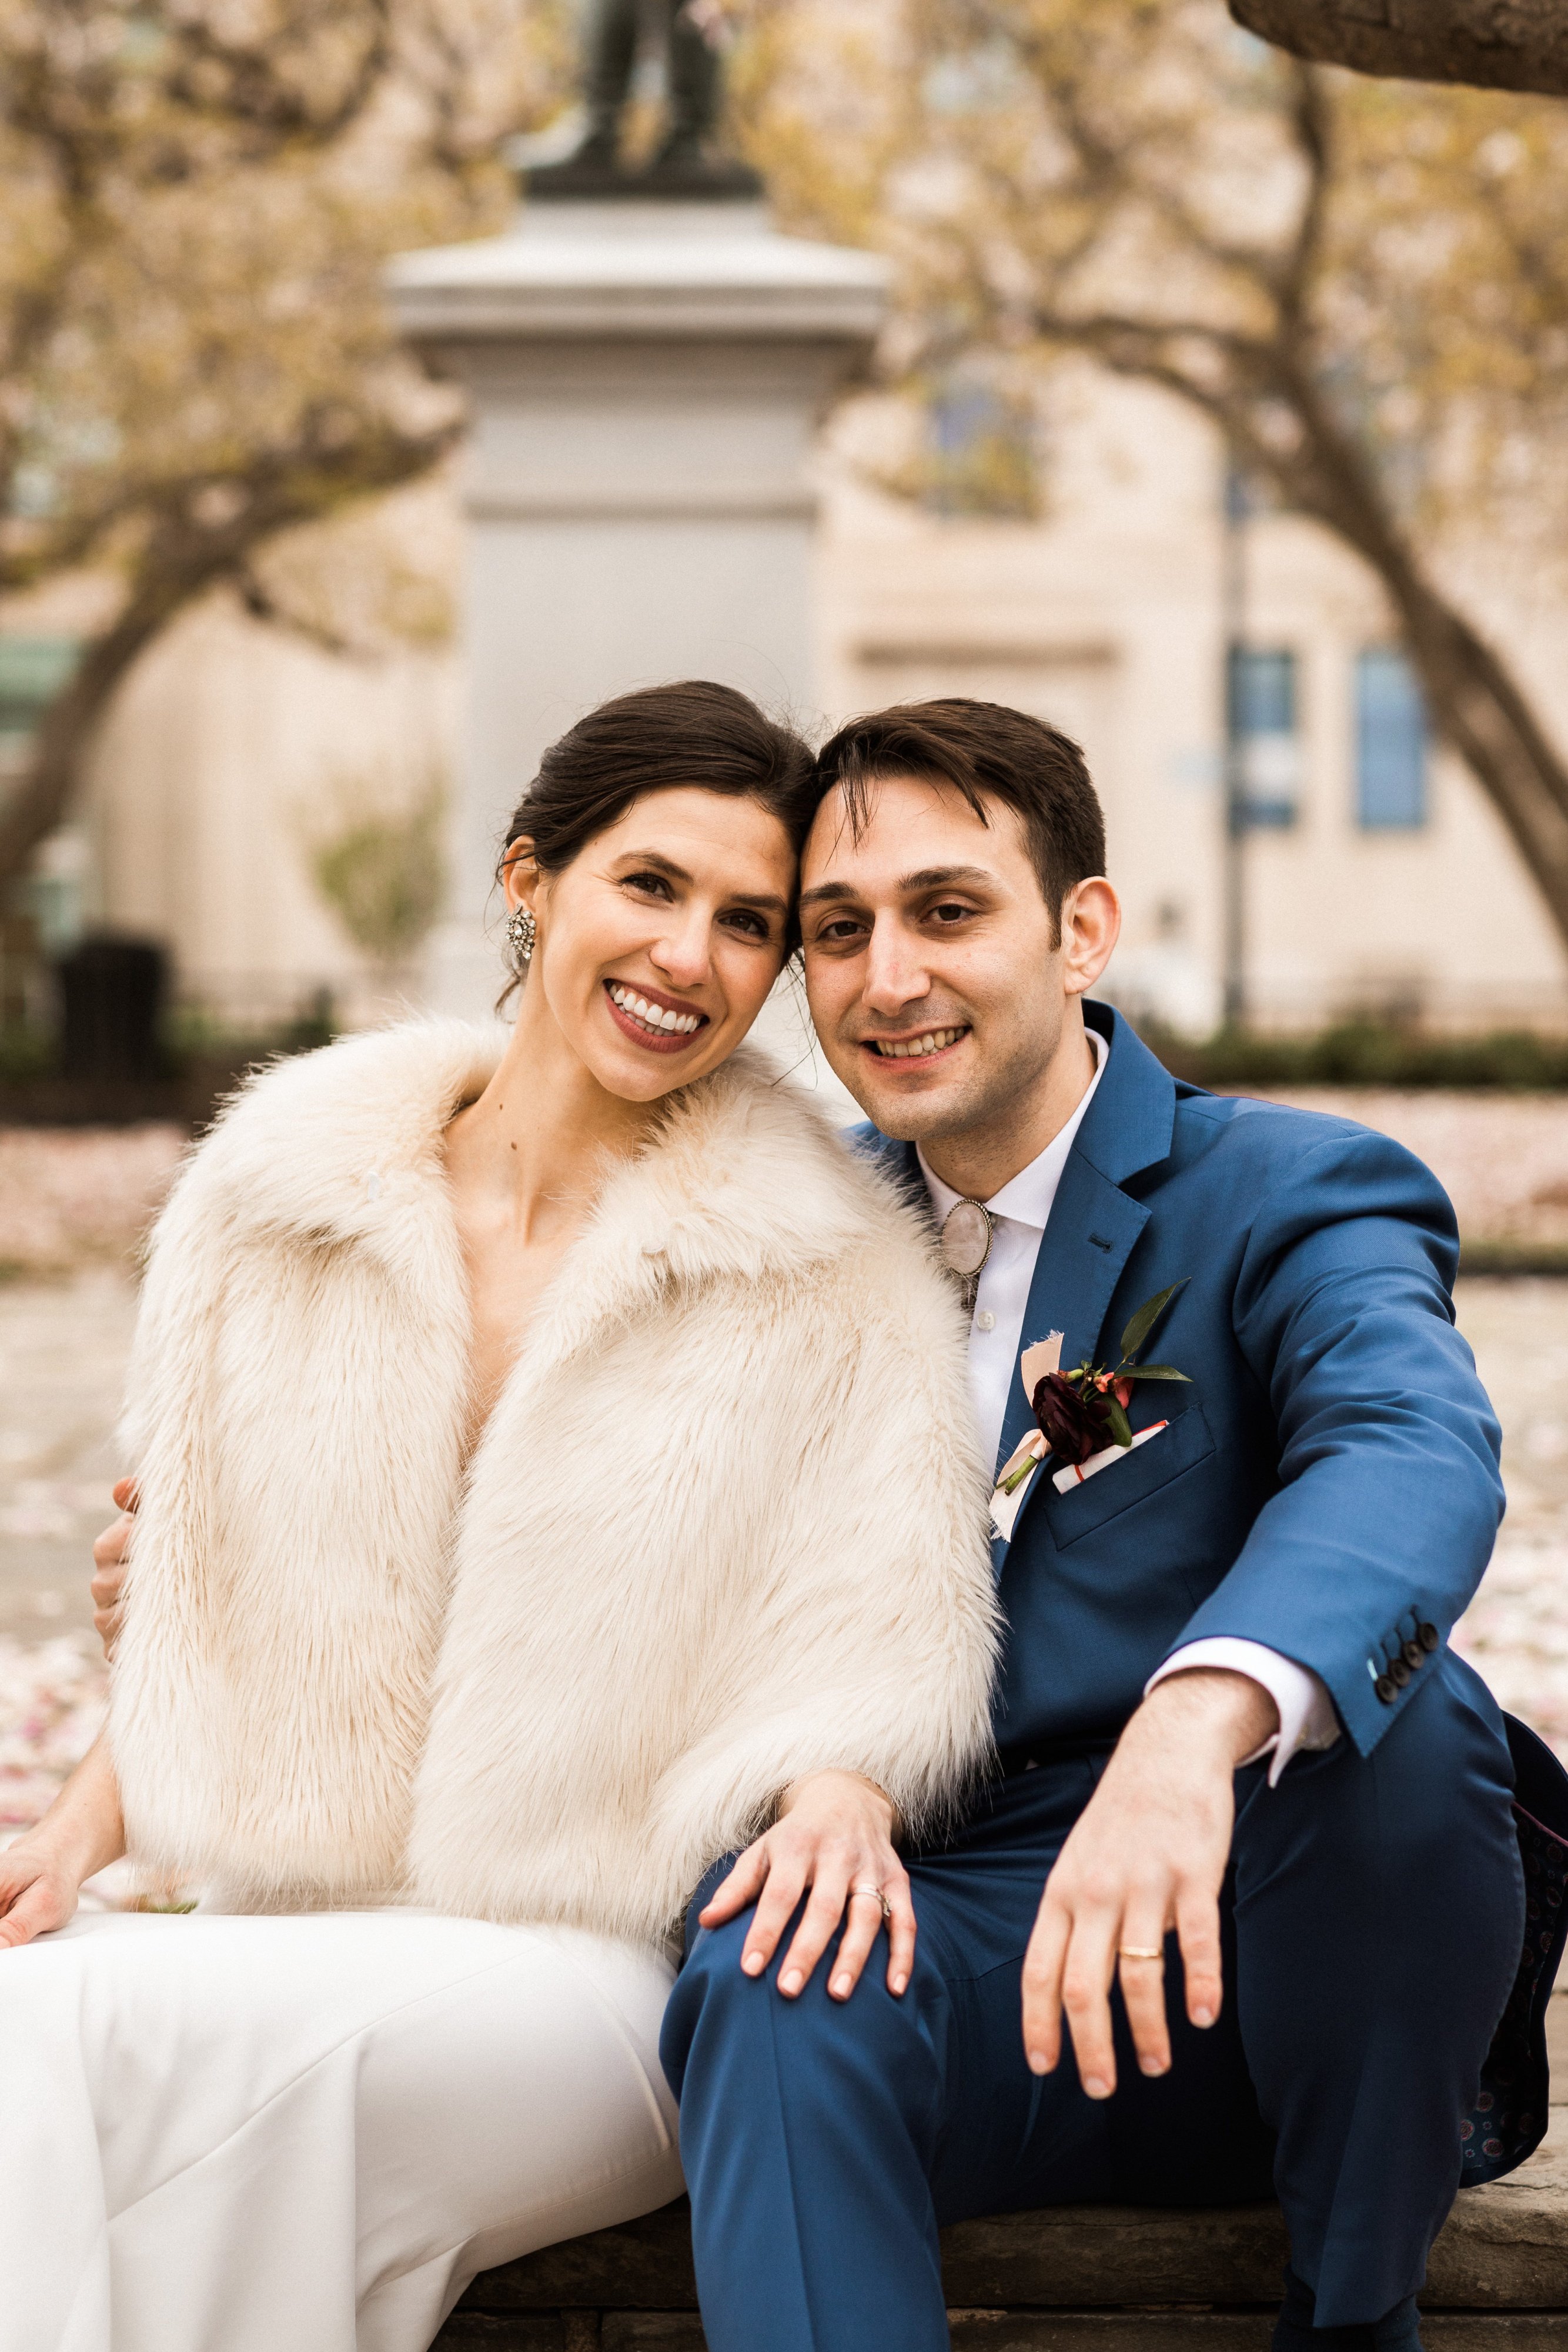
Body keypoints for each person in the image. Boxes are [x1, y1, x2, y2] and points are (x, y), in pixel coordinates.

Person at [0, 681, 999, 2352]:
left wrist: (842, 1797)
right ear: (532, 879)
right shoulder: (270, 1204)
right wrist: (82, 1832)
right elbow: (198, 1572)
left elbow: (882, 1629)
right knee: (46, 2024)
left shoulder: (824, 1260)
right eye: (649, 885)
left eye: (747, 923)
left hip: (585, 1967)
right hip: (287, 1920)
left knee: (71, 2051)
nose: (690, 957)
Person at [661, 697, 1568, 2352]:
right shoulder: (779, 1243)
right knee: (764, 1967)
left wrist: (1190, 1729)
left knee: (1415, 1726)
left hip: (1274, 1942)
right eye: (834, 932)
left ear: (1080, 927)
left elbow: (1404, 1447)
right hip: (963, 1936)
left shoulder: (1288, 1190)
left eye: (947, 912)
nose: (885, 980)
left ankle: (1351, 2326)